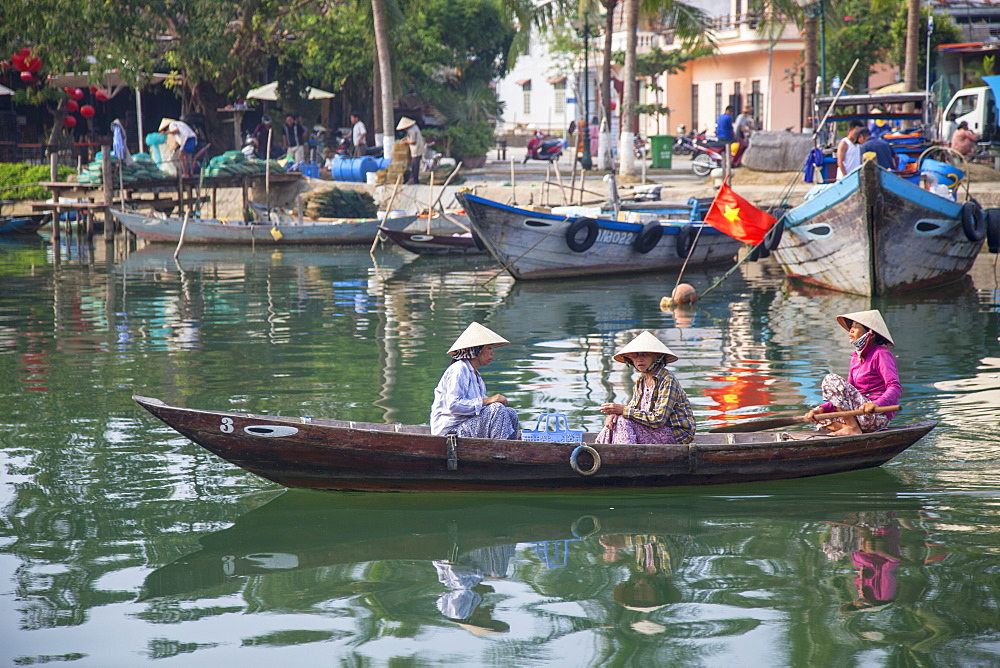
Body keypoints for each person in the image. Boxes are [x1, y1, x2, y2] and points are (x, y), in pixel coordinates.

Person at [803, 309, 901, 436]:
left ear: (870, 333)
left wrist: (876, 404)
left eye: (856, 327)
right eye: (851, 327)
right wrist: (820, 409)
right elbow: (843, 396)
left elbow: (895, 387)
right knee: (819, 416)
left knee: (830, 379)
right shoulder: (855, 358)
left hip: (875, 415)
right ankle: (851, 430)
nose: (851, 331)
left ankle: (852, 427)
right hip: (857, 414)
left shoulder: (881, 354)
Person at [596, 331, 696, 445]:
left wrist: (623, 411)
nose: (639, 359)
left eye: (645, 354)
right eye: (635, 355)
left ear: (657, 357)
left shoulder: (667, 380)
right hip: (654, 430)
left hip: (677, 434)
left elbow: (658, 419)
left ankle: (625, 455)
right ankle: (605, 451)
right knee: (616, 422)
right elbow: (633, 408)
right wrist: (615, 414)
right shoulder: (641, 380)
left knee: (623, 421)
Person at [430, 322, 519, 440]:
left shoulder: (476, 376)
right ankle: (500, 452)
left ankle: (509, 449)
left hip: (466, 426)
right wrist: (489, 400)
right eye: (489, 348)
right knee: (497, 409)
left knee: (510, 412)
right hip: (450, 432)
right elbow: (453, 405)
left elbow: (480, 409)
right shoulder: (459, 369)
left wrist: (490, 402)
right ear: (476, 350)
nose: (492, 353)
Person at [398, 117, 426, 185]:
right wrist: (406, 139)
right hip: (419, 148)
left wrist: (406, 142)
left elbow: (413, 141)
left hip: (416, 149)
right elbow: (411, 138)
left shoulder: (411, 130)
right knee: (415, 165)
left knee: (415, 165)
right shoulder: (415, 127)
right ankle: (414, 179)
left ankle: (414, 179)